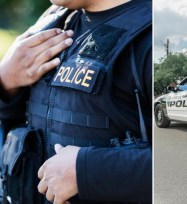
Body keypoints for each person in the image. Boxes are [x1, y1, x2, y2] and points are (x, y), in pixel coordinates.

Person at [0, 0, 152, 203]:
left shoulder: (153, 34)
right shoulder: (54, 18)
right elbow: (21, 121)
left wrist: (89, 172)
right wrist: (6, 82)